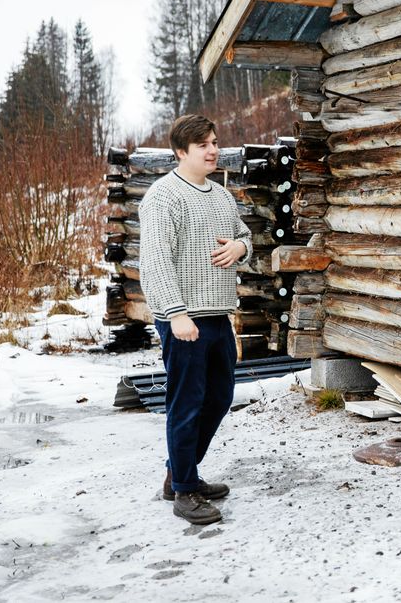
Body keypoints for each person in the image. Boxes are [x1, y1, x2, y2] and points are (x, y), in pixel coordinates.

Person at [138, 114, 252, 525]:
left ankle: (178, 473)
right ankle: (185, 489)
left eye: (215, 142)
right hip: (183, 320)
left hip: (218, 314)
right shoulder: (163, 197)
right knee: (185, 404)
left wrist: (241, 247)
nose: (213, 150)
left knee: (219, 398)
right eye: (203, 144)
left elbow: (246, 237)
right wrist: (176, 314)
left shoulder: (221, 196)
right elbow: (154, 264)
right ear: (180, 151)